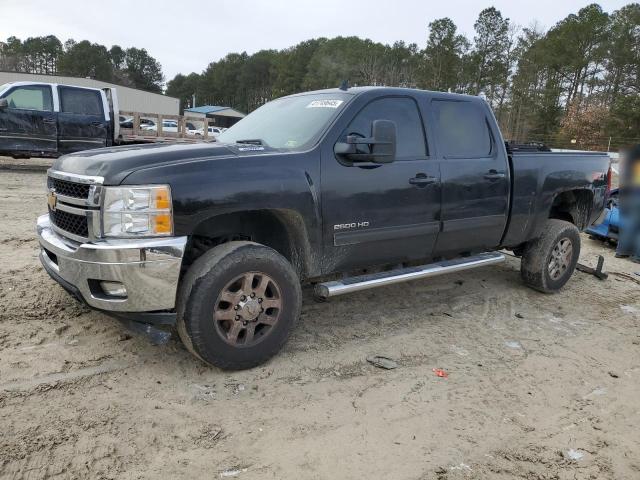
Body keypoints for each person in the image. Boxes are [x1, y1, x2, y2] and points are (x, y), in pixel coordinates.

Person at [615, 145, 640, 262]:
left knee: (629, 224)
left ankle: (621, 251)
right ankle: (638, 256)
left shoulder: (633, 164)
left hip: (632, 195)